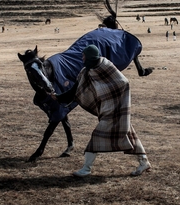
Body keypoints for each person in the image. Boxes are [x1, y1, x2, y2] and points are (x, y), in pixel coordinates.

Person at [54, 45, 151, 177]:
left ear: (90, 57)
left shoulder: (106, 66)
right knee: (128, 133)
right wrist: (58, 97)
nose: (82, 59)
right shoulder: (86, 72)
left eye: (84, 57)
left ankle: (86, 168)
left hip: (116, 109)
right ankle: (144, 162)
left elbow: (123, 82)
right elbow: (74, 90)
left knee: (97, 135)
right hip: (107, 108)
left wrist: (118, 102)